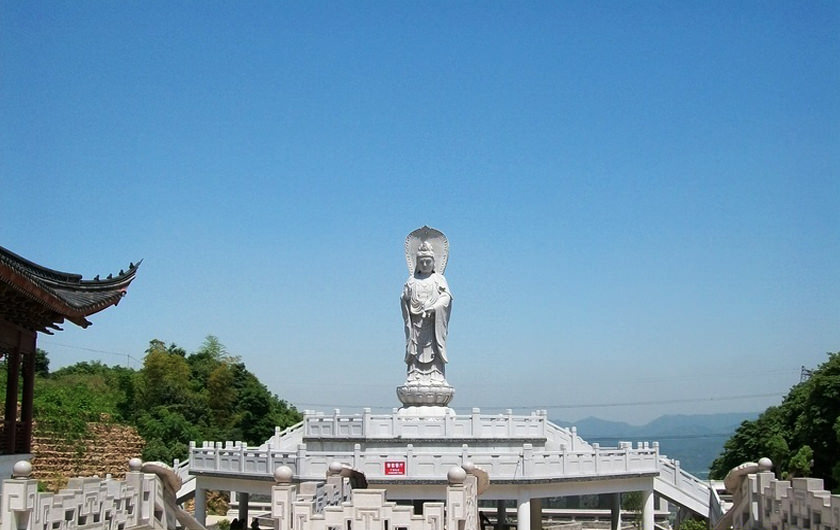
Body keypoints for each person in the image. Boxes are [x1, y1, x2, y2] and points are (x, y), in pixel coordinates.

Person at [401, 241, 452, 384]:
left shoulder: (439, 279)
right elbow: (404, 299)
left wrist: (435, 307)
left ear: (434, 262)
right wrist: (404, 299)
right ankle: (414, 375)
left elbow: (446, 297)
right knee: (414, 348)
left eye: (427, 261)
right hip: (416, 323)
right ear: (416, 262)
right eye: (421, 261)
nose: (424, 265)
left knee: (434, 350)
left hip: (433, 323)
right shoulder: (411, 280)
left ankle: (436, 375)